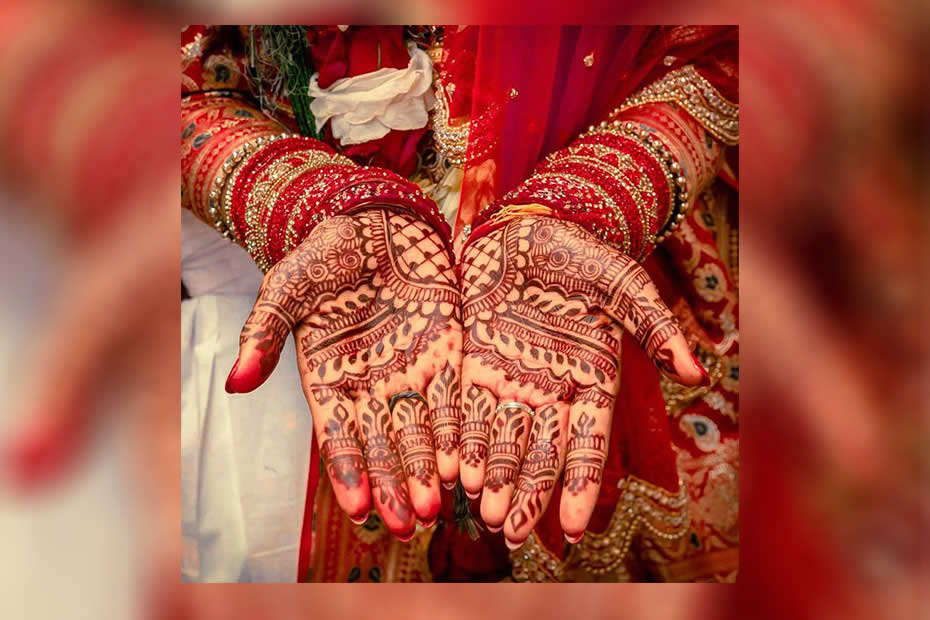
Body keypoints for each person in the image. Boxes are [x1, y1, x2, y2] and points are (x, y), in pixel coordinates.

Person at [181, 24, 739, 582]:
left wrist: (591, 200)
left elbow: (734, 57)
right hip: (334, 326)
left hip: (612, 289)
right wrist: (307, 200)